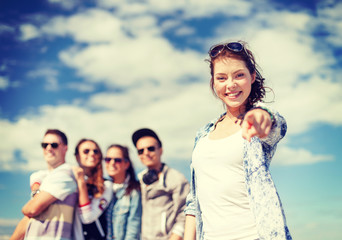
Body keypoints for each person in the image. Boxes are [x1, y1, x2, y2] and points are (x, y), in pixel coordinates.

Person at [183, 41, 292, 240]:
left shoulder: (256, 121)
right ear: (213, 83)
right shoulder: (202, 134)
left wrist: (262, 116)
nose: (230, 84)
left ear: (252, 77)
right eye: (222, 78)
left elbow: (277, 126)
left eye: (239, 75)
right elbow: (194, 199)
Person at [12, 129, 78, 240]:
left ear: (65, 148)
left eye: (54, 145)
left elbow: (31, 209)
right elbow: (29, 218)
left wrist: (34, 197)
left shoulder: (65, 173)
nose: (48, 148)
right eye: (44, 145)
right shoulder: (44, 176)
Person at [132, 128, 190, 240]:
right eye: (141, 151)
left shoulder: (176, 178)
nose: (146, 153)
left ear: (161, 150)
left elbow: (185, 212)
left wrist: (176, 236)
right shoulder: (138, 180)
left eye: (151, 148)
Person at [73, 138, 113, 240]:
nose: (92, 154)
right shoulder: (70, 181)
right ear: (77, 157)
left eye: (96, 151)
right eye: (86, 151)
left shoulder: (107, 185)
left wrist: (81, 181)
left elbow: (87, 217)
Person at [104, 144, 142, 240]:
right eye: (108, 159)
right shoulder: (102, 189)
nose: (112, 163)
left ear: (126, 164)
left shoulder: (134, 192)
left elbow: (133, 230)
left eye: (117, 160)